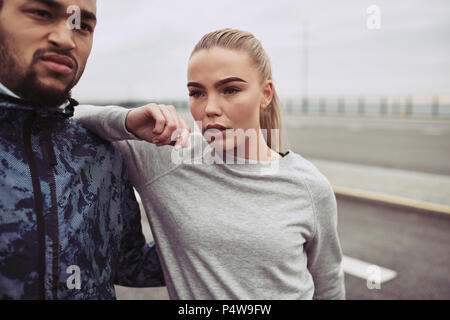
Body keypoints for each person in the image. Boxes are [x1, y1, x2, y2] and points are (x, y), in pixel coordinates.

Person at [74, 28, 346, 299]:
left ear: (265, 94)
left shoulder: (310, 188)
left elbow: (329, 287)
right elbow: (69, 116)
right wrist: (128, 120)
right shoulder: (168, 155)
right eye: (197, 93)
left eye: (230, 89)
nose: (210, 108)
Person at [0, 0, 188, 300]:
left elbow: (129, 263)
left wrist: (229, 232)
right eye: (41, 13)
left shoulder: (100, 151)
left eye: (82, 26)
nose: (65, 38)